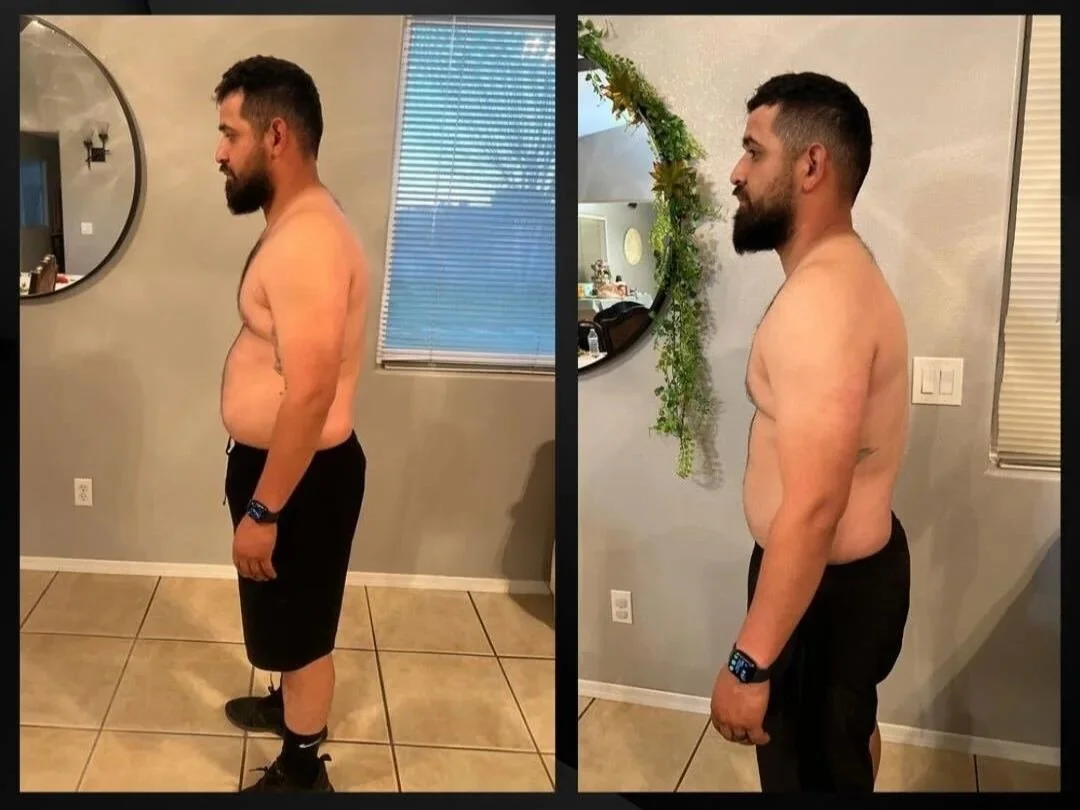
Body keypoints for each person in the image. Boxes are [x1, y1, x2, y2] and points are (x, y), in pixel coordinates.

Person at [708, 72, 911, 793]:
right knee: (845, 748)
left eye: (752, 152)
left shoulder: (822, 301)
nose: (735, 172)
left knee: (812, 775)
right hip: (845, 580)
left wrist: (748, 663)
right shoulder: (845, 273)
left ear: (811, 165)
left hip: (824, 592)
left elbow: (816, 504)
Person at [213, 55, 369, 793]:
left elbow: (307, 397)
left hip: (298, 476)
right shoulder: (302, 223)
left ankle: (302, 771)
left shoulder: (307, 240)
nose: (219, 152)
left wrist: (264, 508)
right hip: (291, 467)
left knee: (303, 634)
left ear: (275, 136)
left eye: (229, 134)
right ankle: (288, 707)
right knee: (287, 617)